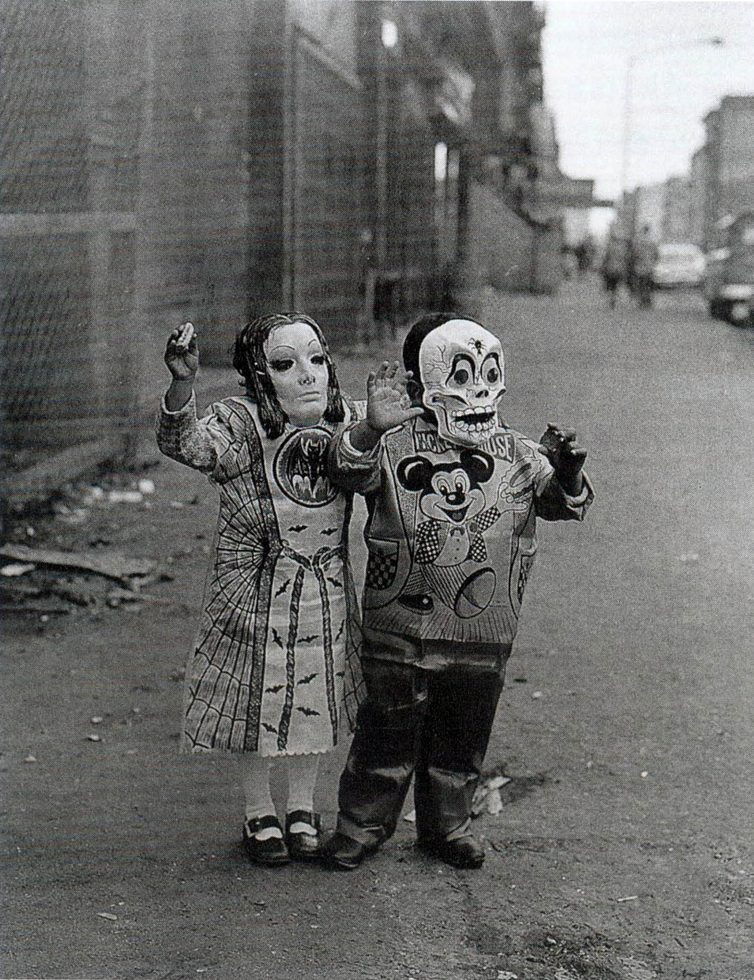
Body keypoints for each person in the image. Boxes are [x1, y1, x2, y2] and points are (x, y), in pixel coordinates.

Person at [320, 313, 594, 871]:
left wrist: (565, 472)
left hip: (484, 627)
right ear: (422, 384)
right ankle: (364, 822)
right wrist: (370, 428)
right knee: (386, 730)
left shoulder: (518, 451)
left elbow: (566, 505)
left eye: (488, 374)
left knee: (461, 735)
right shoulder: (393, 444)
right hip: (399, 619)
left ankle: (448, 823)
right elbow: (346, 471)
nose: (477, 393)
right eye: (460, 376)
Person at [157, 313, 381, 867]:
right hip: (253, 586)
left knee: (317, 688)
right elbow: (184, 444)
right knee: (255, 691)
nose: (307, 375)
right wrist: (182, 383)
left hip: (324, 581)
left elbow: (373, 460)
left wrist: (382, 422)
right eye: (285, 364)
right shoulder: (239, 424)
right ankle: (259, 810)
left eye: (316, 359)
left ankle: (303, 807)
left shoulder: (349, 418)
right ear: (259, 376)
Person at [630, 224, 659, 309]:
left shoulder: (638, 241)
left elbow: (634, 254)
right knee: (648, 285)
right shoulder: (652, 241)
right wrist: (652, 262)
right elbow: (656, 254)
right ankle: (648, 301)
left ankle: (642, 301)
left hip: (640, 267)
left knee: (641, 285)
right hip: (649, 267)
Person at [600, 234, 628, 309]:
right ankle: (614, 299)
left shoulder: (610, 248)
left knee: (611, 286)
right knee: (616, 286)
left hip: (610, 269)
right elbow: (624, 259)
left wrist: (603, 267)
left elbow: (605, 258)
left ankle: (612, 300)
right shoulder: (622, 248)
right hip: (618, 270)